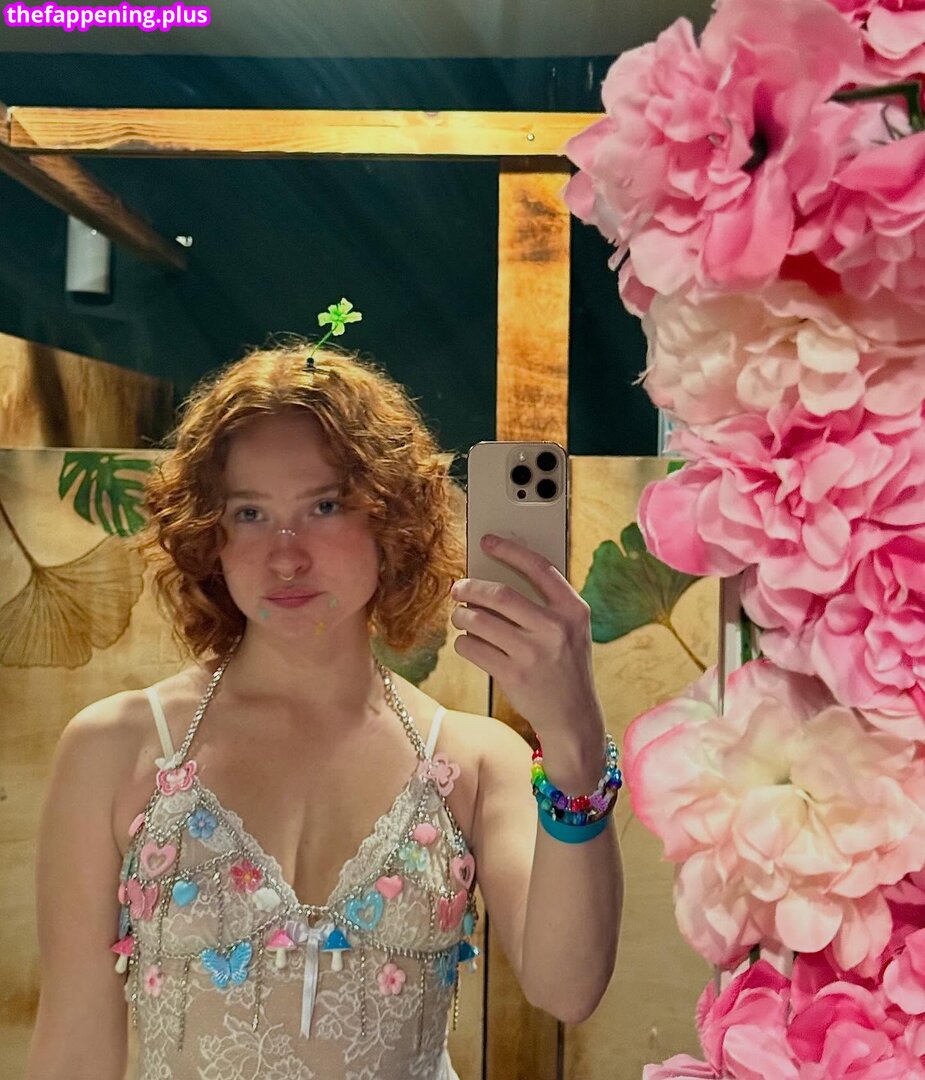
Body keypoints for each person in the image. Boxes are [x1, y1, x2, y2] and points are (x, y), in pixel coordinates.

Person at [26, 335, 623, 1080]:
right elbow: (74, 1050)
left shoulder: (474, 760)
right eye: (249, 512)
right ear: (208, 532)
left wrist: (573, 737)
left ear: (393, 522)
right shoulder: (115, 748)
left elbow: (568, 988)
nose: (285, 555)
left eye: (325, 506)